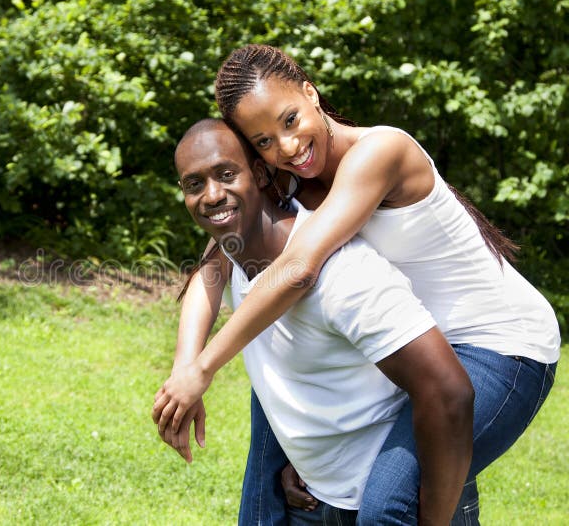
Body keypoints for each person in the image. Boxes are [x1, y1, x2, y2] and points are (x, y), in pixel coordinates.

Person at [153, 44, 560, 524]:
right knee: (268, 407)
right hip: (423, 340)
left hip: (502, 346)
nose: (286, 147)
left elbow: (301, 266)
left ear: (311, 92)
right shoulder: (290, 178)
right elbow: (215, 264)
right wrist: (185, 368)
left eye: (290, 120)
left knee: (394, 503)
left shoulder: (380, 151)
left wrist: (203, 369)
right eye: (263, 141)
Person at [160, 118, 475, 524]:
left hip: (403, 503)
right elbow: (207, 275)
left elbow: (448, 391)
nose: (212, 195)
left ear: (258, 174)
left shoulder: (344, 274)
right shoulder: (236, 247)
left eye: (225, 174)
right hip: (319, 497)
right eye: (194, 184)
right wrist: (185, 373)